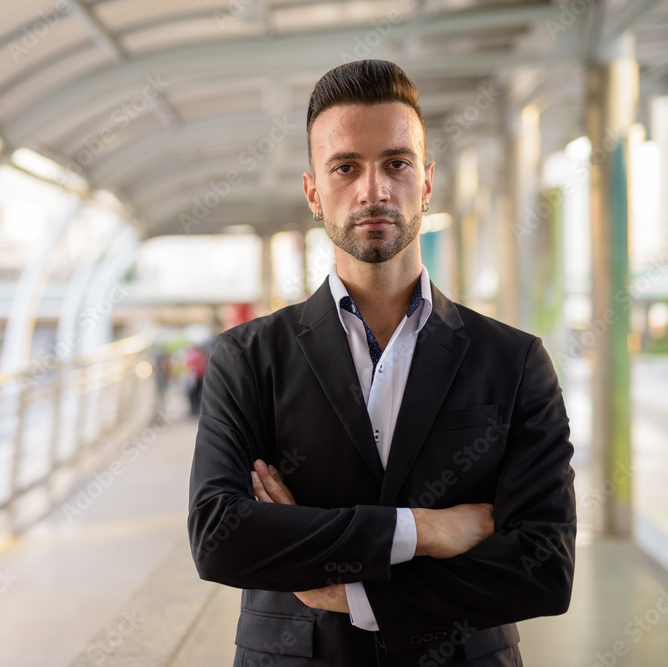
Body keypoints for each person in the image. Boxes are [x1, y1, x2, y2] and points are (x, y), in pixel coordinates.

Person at [187, 60, 575, 666]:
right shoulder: (247, 357)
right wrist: (424, 530)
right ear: (314, 191)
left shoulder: (515, 360)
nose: (374, 189)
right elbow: (220, 538)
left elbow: (544, 568)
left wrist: (349, 592)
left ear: (426, 182)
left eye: (397, 163)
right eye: (346, 168)